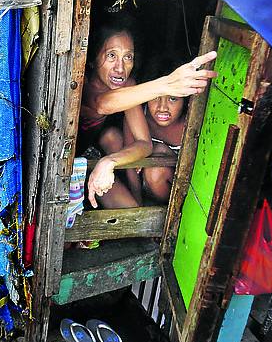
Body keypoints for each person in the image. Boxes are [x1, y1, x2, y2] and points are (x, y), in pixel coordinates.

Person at [78, 17, 216, 209]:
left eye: (128, 57)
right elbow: (102, 104)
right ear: (93, 59)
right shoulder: (80, 82)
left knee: (132, 211)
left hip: (89, 155)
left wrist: (109, 161)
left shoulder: (128, 85)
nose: (120, 67)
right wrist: (167, 84)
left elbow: (144, 144)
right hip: (62, 157)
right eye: (111, 55)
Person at [123, 92, 186, 205]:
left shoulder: (190, 124)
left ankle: (166, 208)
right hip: (144, 185)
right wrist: (137, 203)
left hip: (173, 191)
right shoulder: (139, 115)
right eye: (155, 97)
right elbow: (130, 166)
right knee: (110, 136)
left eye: (172, 99)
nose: (162, 107)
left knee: (155, 171)